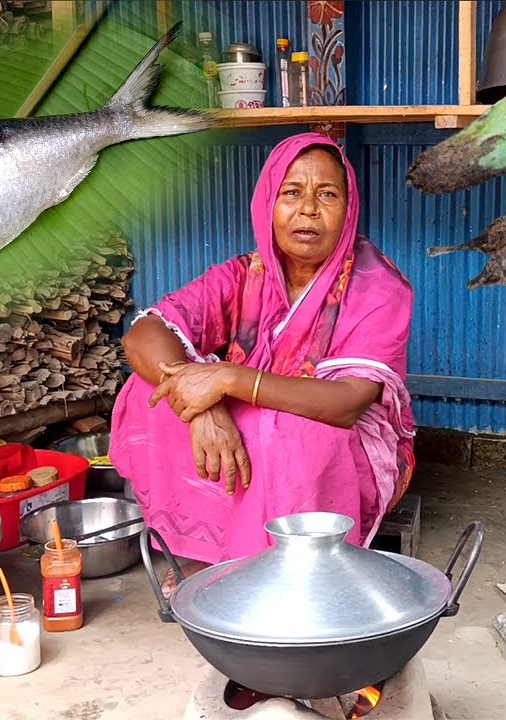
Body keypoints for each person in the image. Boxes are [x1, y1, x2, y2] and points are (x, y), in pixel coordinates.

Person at [110, 132, 416, 598]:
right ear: (267, 204)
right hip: (252, 412)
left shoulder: (377, 287)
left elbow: (348, 404)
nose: (308, 209)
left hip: (337, 435)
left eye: (327, 195)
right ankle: (206, 552)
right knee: (145, 394)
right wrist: (203, 408)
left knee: (290, 435)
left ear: (348, 210)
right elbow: (144, 335)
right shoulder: (245, 275)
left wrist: (229, 378)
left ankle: (285, 567)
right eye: (291, 192)